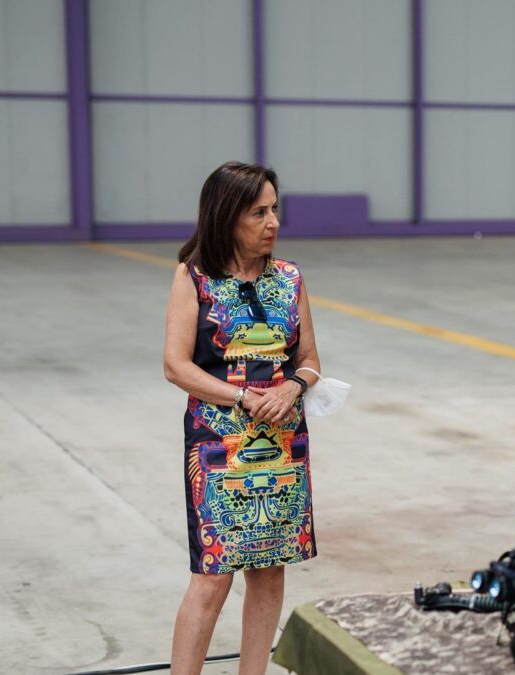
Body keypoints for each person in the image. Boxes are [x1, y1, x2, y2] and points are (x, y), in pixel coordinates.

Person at [163, 161, 321, 674]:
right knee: (213, 575)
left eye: (275, 209)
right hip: (218, 446)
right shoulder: (194, 278)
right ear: (227, 216)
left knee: (270, 572)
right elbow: (176, 366)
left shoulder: (291, 278)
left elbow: (311, 362)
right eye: (259, 212)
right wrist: (245, 399)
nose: (273, 221)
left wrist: (295, 386)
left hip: (281, 445)